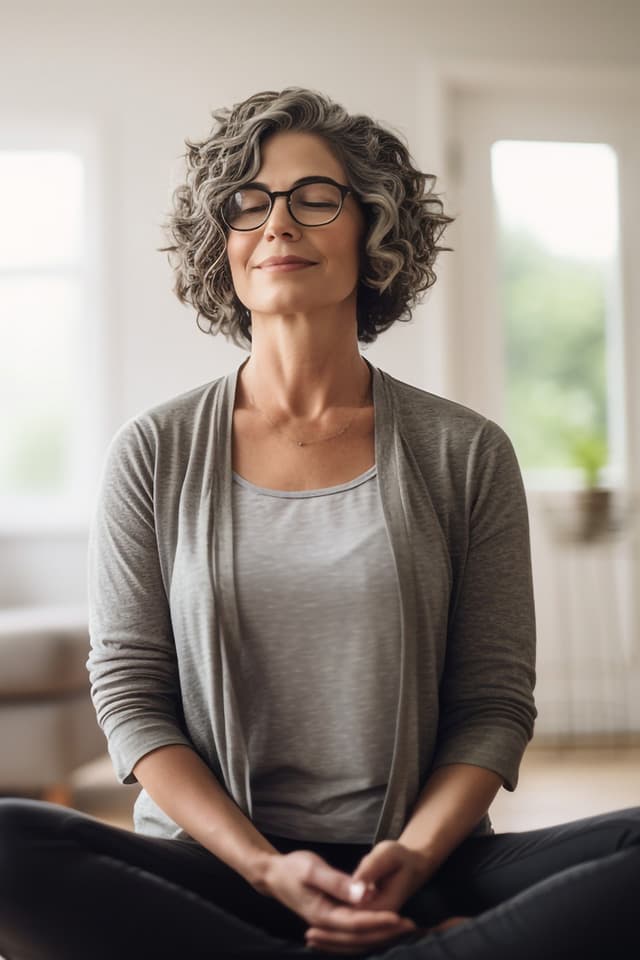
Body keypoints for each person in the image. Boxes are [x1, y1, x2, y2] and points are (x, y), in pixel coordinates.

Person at [0, 86, 639, 960]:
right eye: (248, 202)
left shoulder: (467, 451)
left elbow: (492, 705)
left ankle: (383, 931)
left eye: (314, 197)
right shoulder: (151, 451)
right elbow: (132, 700)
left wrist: (411, 856)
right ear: (220, 242)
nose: (279, 223)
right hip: (221, 869)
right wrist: (267, 869)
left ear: (372, 229)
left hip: (416, 864)